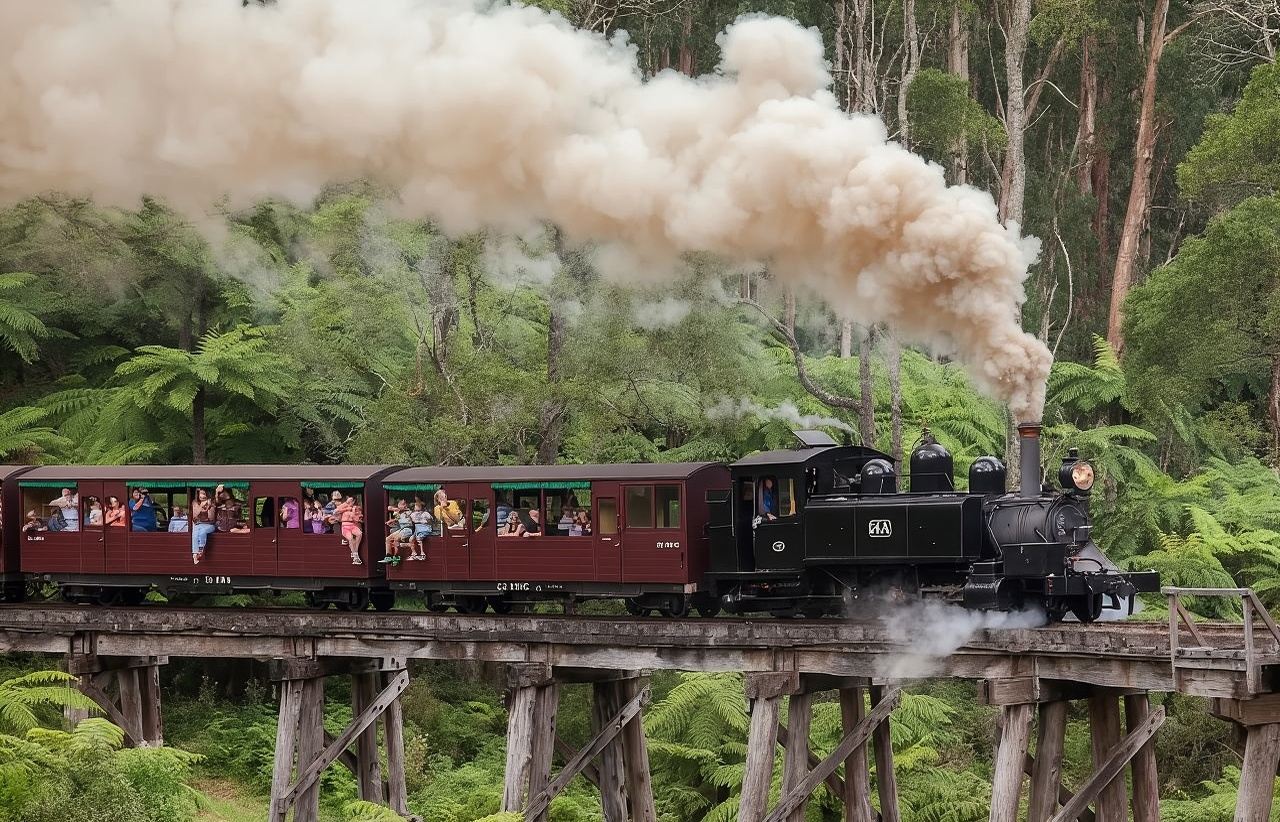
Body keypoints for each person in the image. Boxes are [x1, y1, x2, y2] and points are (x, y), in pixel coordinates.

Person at [191, 486, 217, 564]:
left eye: (203, 493)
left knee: (202, 531)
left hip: (209, 525)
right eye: (200, 493)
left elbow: (211, 518)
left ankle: (200, 549)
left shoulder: (211, 502)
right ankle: (195, 554)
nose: (201, 495)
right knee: (195, 534)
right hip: (198, 524)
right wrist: (201, 506)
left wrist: (209, 507)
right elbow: (194, 516)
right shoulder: (195, 503)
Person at [335, 495, 364, 564]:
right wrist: (346, 507)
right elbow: (336, 511)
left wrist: (354, 512)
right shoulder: (344, 507)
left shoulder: (355, 508)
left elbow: (357, 519)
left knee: (359, 534)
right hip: (345, 526)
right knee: (350, 538)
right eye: (348, 500)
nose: (349, 502)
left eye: (351, 500)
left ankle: (355, 552)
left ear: (353, 501)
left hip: (352, 525)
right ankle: (355, 555)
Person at [383, 500, 411, 565]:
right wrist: (391, 521)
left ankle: (396, 557)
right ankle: (388, 556)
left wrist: (397, 509)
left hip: (408, 529)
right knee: (388, 539)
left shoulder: (409, 511)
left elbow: (391, 508)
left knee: (396, 539)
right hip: (401, 529)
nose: (403, 505)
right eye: (401, 504)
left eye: (403, 504)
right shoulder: (399, 513)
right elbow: (396, 518)